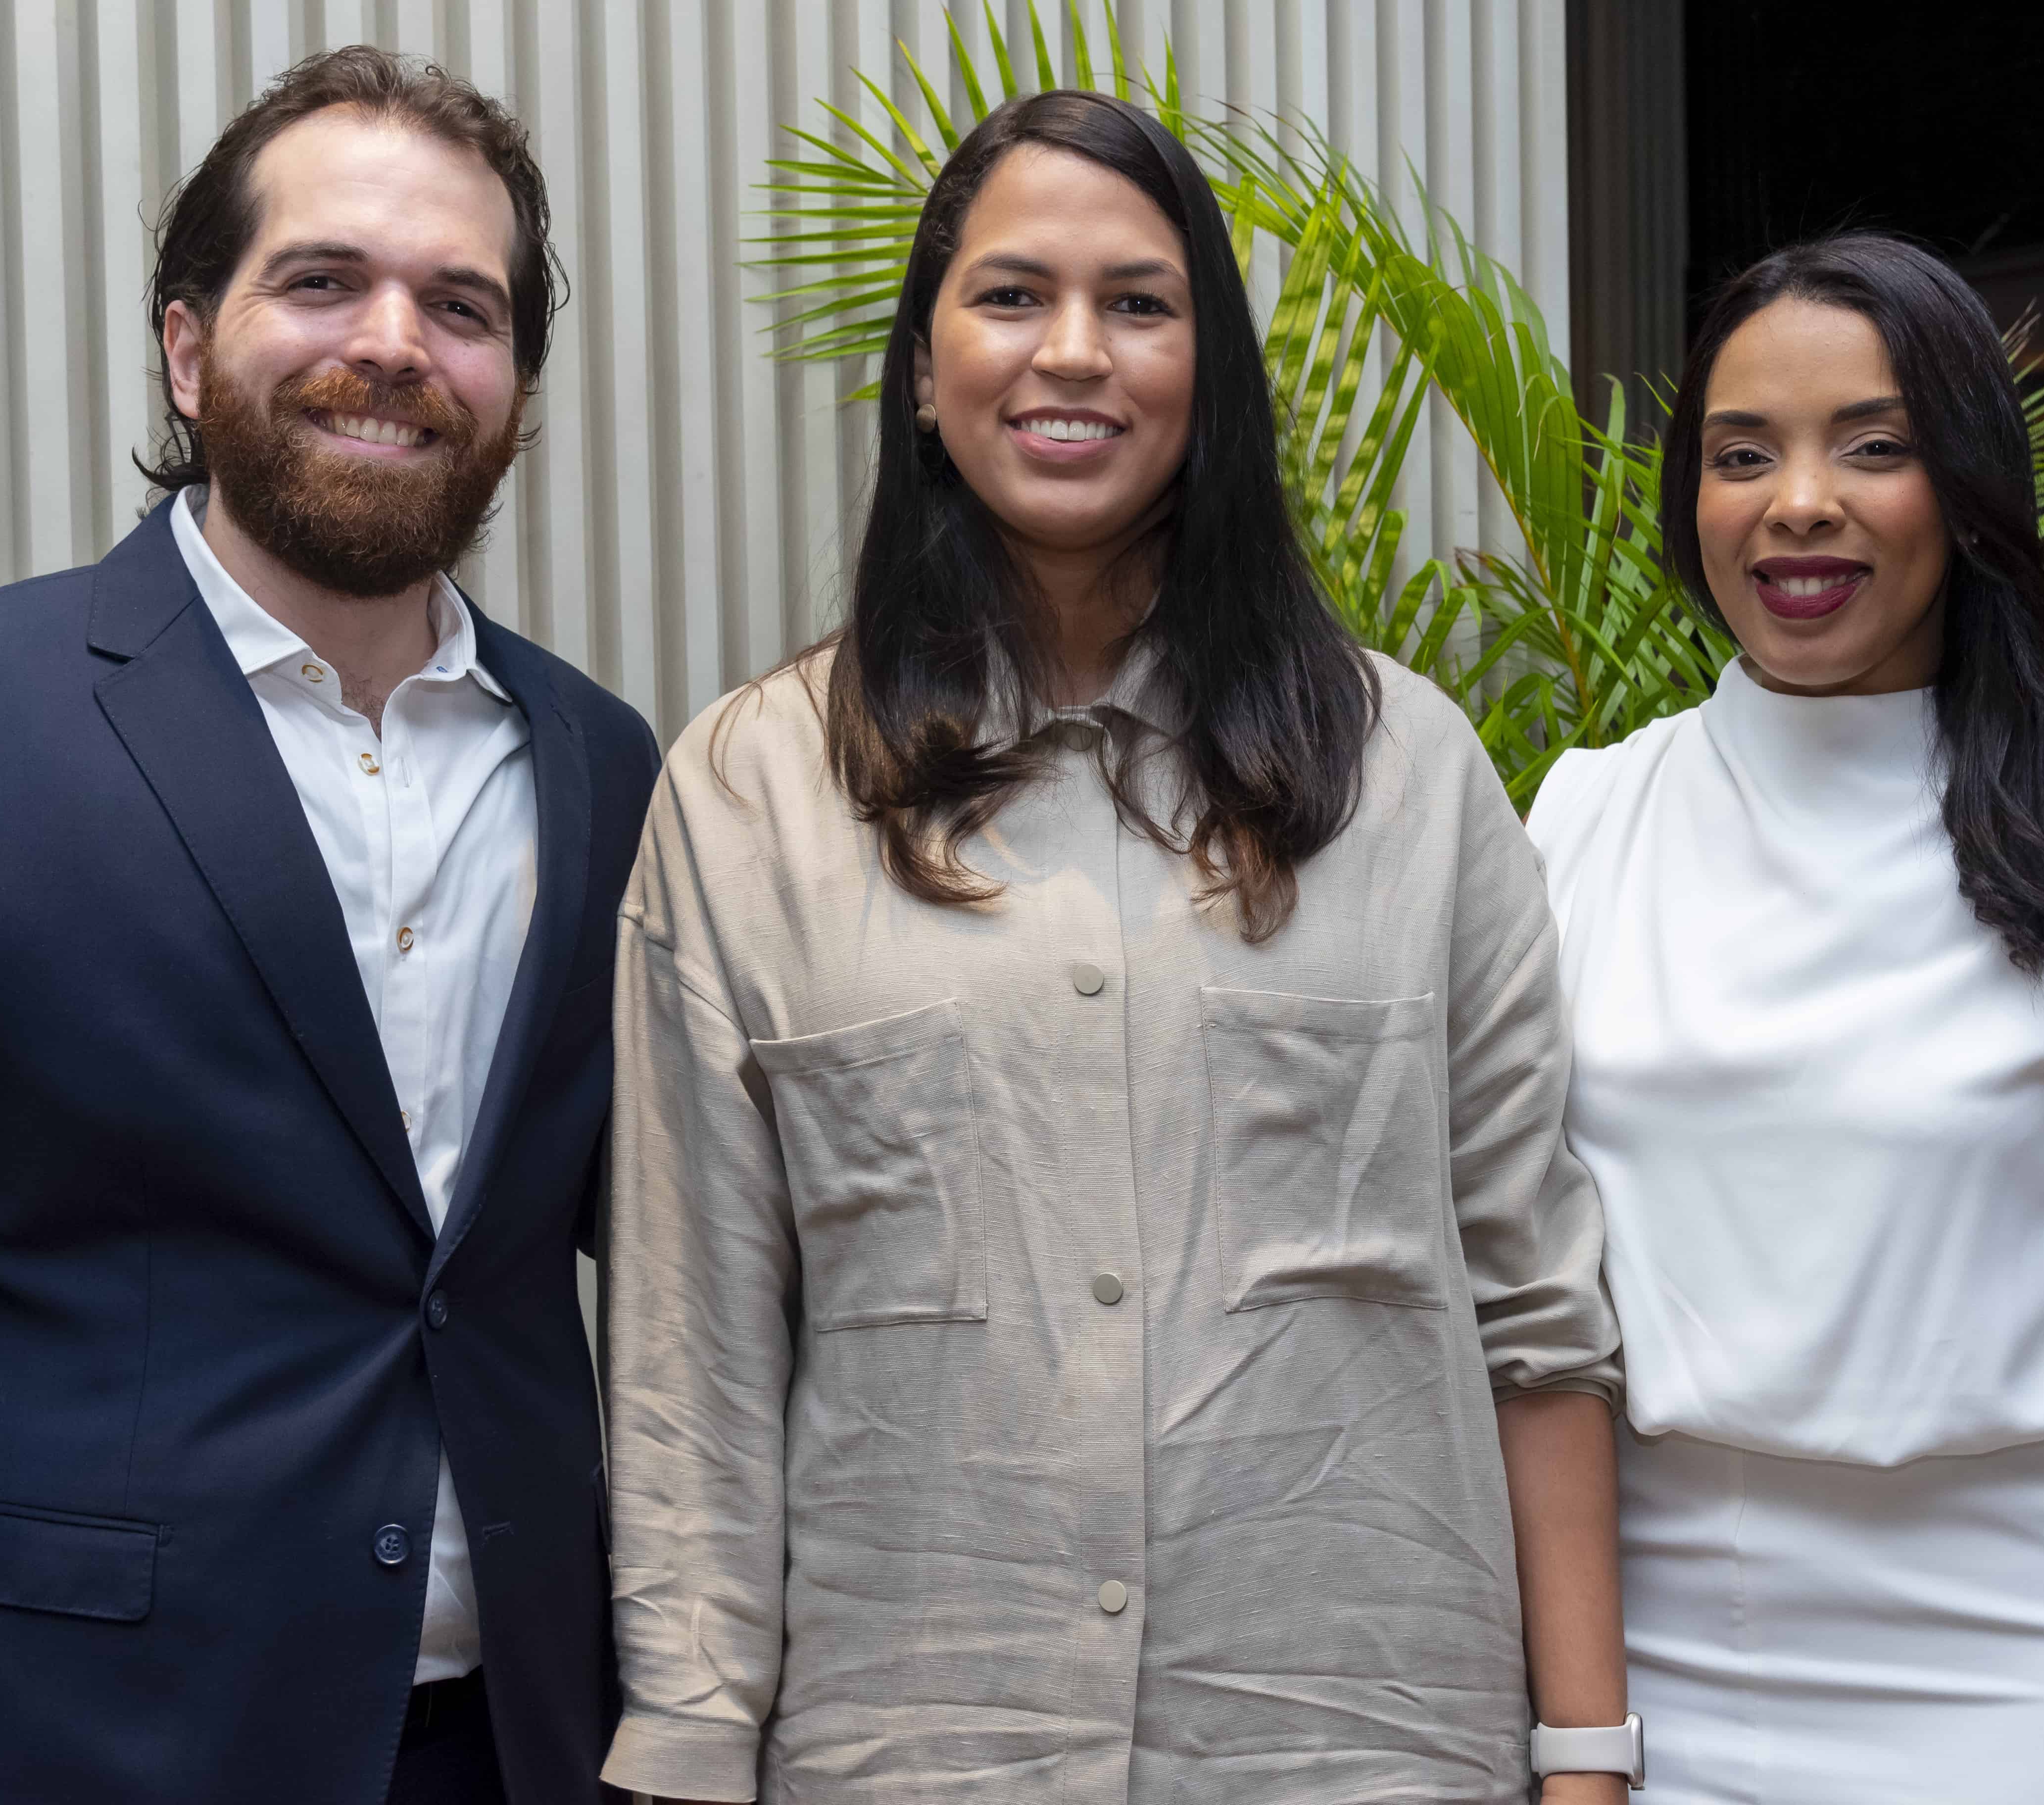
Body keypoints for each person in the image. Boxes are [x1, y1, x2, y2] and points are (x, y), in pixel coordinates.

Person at [0, 48, 653, 1805]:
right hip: (73, 1744)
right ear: (189, 346)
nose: (395, 343)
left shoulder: (603, 761)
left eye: (461, 305)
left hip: (517, 1744)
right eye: (322, 279)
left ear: (517, 384)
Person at [600, 90, 1632, 1805]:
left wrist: (1587, 1760)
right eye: (1009, 297)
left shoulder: (1411, 770)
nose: (1071, 352)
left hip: (1360, 1739)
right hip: (917, 1742)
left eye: (1140, 305)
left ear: (1207, 376)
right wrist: (697, 1743)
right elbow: (694, 1347)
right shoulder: (746, 790)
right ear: (922, 373)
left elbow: (1535, 1301)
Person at [1526, 233, 2044, 1803]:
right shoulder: (1574, 823)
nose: (1797, 500)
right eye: (1743, 454)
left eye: (1872, 448)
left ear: (1965, 490)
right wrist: (1578, 1750)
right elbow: (1523, 1329)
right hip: (1659, 1690)